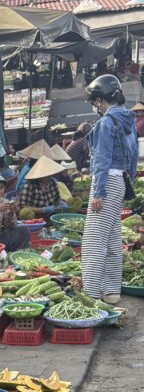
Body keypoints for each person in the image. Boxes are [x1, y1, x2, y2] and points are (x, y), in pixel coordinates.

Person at [82, 74, 138, 304]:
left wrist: (98, 192)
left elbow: (103, 159)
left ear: (98, 100)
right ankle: (111, 291)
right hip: (120, 182)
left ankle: (92, 295)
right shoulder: (127, 120)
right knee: (112, 239)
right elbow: (133, 157)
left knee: (93, 242)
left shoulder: (106, 122)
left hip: (106, 182)